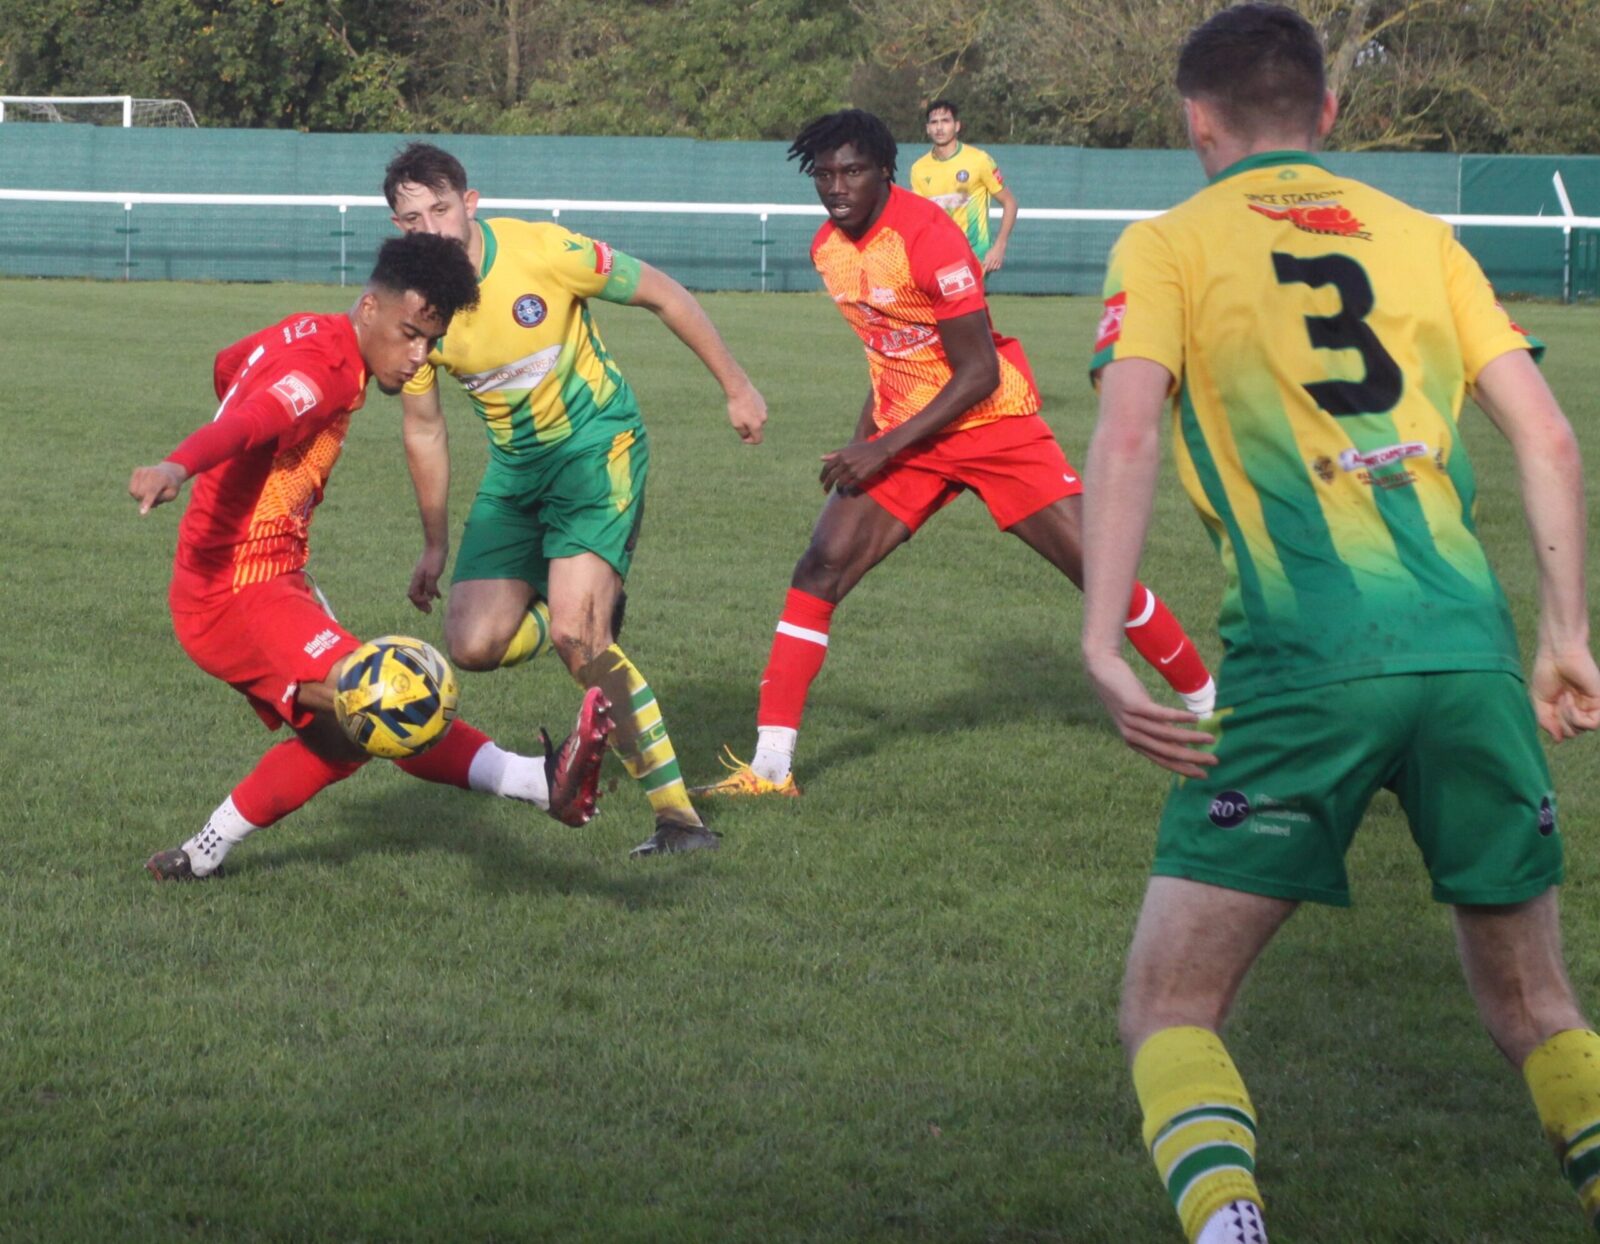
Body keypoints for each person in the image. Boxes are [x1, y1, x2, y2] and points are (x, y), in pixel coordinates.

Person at [1079, 6, 1600, 1241]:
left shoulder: (1165, 246)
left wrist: (1103, 637)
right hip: (1467, 649)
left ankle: (1231, 1228)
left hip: (1304, 653)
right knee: (1538, 1007)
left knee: (1169, 1004)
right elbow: (1546, 433)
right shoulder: (1424, 237)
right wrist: (1564, 631)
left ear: (1193, 123)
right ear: (1325, 112)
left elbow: (1128, 429)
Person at [695, 109, 1213, 799]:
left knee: (1100, 571)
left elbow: (979, 374)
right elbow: (886, 356)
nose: (836, 186)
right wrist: (864, 440)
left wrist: (880, 448)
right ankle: (769, 770)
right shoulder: (828, 248)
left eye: (851, 171)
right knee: (819, 568)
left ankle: (1215, 712)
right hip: (905, 434)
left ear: (885, 171)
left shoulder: (928, 236)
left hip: (990, 425)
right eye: (823, 173)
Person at [131, 234, 613, 881]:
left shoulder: (310, 332)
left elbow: (230, 366)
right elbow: (256, 418)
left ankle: (202, 852)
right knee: (387, 696)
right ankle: (542, 781)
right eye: (409, 334)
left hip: (270, 577)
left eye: (430, 342)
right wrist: (179, 464)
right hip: (236, 592)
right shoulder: (322, 376)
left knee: (340, 745)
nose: (419, 359)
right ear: (369, 308)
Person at [380, 143, 768, 859]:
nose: (431, 227)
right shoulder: (413, 305)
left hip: (596, 450)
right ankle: (583, 605)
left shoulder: (544, 251)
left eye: (441, 208)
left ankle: (678, 820)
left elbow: (662, 293)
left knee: (576, 640)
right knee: (472, 644)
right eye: (414, 217)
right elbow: (424, 428)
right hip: (514, 474)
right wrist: (434, 543)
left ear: (470, 203)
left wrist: (737, 386)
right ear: (401, 228)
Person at [909, 99, 1018, 275]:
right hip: (939, 256)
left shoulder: (979, 160)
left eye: (945, 121)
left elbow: (1010, 203)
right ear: (927, 128)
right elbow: (921, 216)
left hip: (975, 254)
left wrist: (999, 246)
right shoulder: (919, 169)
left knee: (961, 300)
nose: (939, 127)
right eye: (934, 122)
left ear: (957, 126)